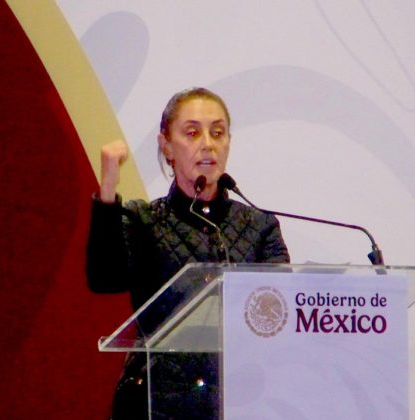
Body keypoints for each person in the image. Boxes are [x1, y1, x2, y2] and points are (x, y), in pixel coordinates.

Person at [86, 87, 290, 419]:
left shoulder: (260, 226)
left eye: (218, 133)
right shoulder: (143, 220)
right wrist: (108, 191)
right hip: (156, 401)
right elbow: (104, 278)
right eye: (192, 133)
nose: (208, 143)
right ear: (166, 146)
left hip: (239, 400)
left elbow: (279, 314)